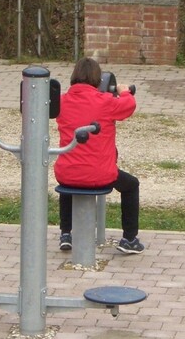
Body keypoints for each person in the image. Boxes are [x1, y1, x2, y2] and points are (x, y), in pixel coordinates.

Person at [54, 57, 144, 254]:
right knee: (131, 185)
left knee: (70, 179)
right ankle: (129, 239)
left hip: (66, 172)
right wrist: (124, 91)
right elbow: (129, 105)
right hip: (100, 174)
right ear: (98, 80)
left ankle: (66, 233)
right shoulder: (106, 102)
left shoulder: (62, 102)